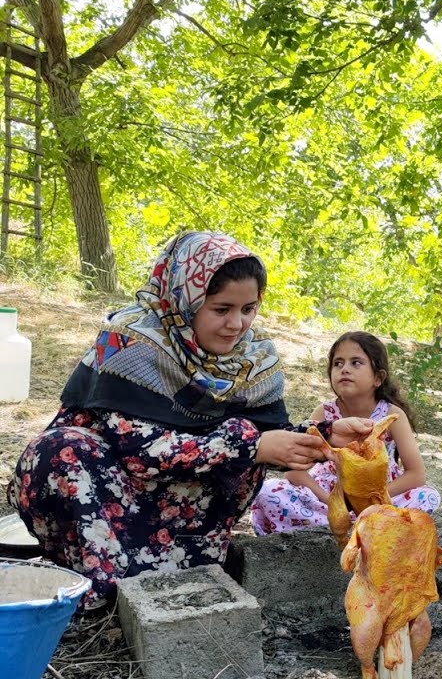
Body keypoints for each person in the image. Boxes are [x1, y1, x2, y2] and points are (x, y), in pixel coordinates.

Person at [5, 231, 372, 608]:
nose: (237, 324)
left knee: (244, 437)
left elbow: (268, 435)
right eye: (221, 309)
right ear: (185, 299)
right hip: (105, 490)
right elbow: (140, 452)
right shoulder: (130, 342)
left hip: (180, 501)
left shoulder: (254, 358)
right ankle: (99, 582)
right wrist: (250, 445)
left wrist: (326, 435)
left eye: (248, 309)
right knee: (62, 450)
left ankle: (178, 564)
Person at [250, 331, 441, 534]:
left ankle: (366, 523)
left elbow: (416, 474)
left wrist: (374, 499)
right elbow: (294, 471)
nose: (345, 369)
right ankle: (341, 525)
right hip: (327, 497)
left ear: (378, 378)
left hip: (380, 497)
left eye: (356, 363)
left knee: (427, 497)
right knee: (267, 492)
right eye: (338, 363)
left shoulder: (392, 415)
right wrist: (332, 502)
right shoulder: (324, 413)